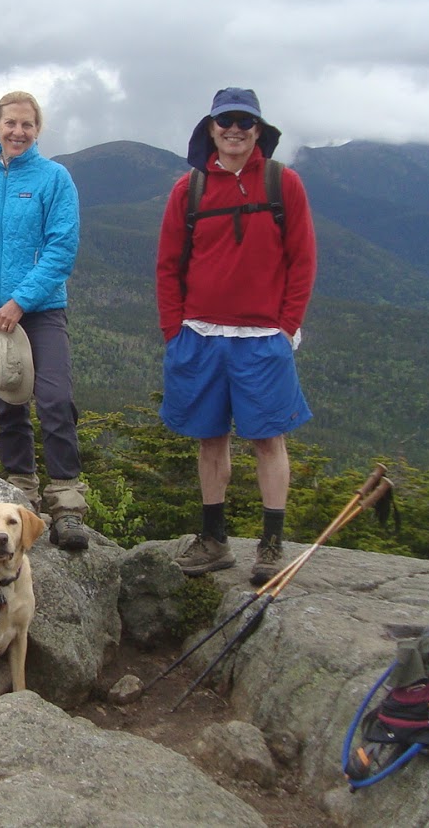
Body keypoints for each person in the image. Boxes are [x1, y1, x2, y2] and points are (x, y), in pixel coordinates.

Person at [156, 87, 317, 584]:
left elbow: (302, 261)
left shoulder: (282, 183)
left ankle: (271, 546)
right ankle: (214, 540)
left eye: (245, 122)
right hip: (200, 335)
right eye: (225, 120)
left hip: (262, 337)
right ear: (210, 128)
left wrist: (285, 328)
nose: (234, 129)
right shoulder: (191, 189)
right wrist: (174, 332)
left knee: (269, 439)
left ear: (258, 130)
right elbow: (167, 266)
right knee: (210, 440)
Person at [0, 92, 90, 551]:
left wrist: (19, 301)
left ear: (38, 130)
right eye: (10, 123)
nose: (18, 132)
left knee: (54, 397)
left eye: (27, 125)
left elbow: (61, 249)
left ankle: (67, 501)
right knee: (8, 401)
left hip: (40, 310)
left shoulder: (55, 179)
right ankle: (22, 491)